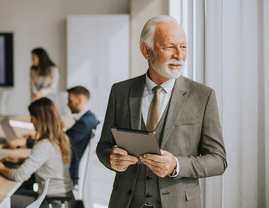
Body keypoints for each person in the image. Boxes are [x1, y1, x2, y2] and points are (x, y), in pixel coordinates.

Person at [96, 15, 227, 208]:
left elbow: (218, 160)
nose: (179, 55)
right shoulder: (120, 92)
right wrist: (112, 159)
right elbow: (103, 146)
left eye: (183, 46)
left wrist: (176, 165)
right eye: (169, 47)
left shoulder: (203, 96)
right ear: (146, 51)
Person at [0, 98, 74, 208]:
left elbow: (20, 175)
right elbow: (50, 161)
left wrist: (1, 168)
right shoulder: (63, 138)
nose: (31, 122)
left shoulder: (44, 145)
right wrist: (21, 160)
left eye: (32, 118)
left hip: (52, 202)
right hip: (64, 197)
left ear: (40, 120)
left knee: (1, 200)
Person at [65, 86, 99, 184]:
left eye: (70, 100)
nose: (67, 104)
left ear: (79, 100)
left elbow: (62, 142)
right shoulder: (90, 118)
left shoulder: (84, 123)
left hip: (70, 170)